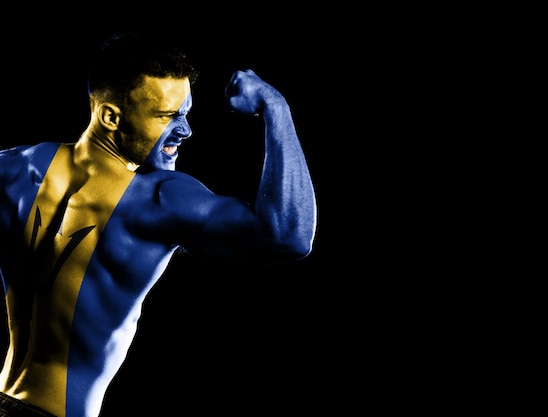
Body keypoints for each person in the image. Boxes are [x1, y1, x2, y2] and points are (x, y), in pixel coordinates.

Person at [0, 32, 317, 417]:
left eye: (185, 113)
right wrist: (275, 106)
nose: (185, 130)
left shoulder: (15, 168)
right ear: (111, 117)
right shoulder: (155, 200)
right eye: (167, 116)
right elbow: (289, 234)